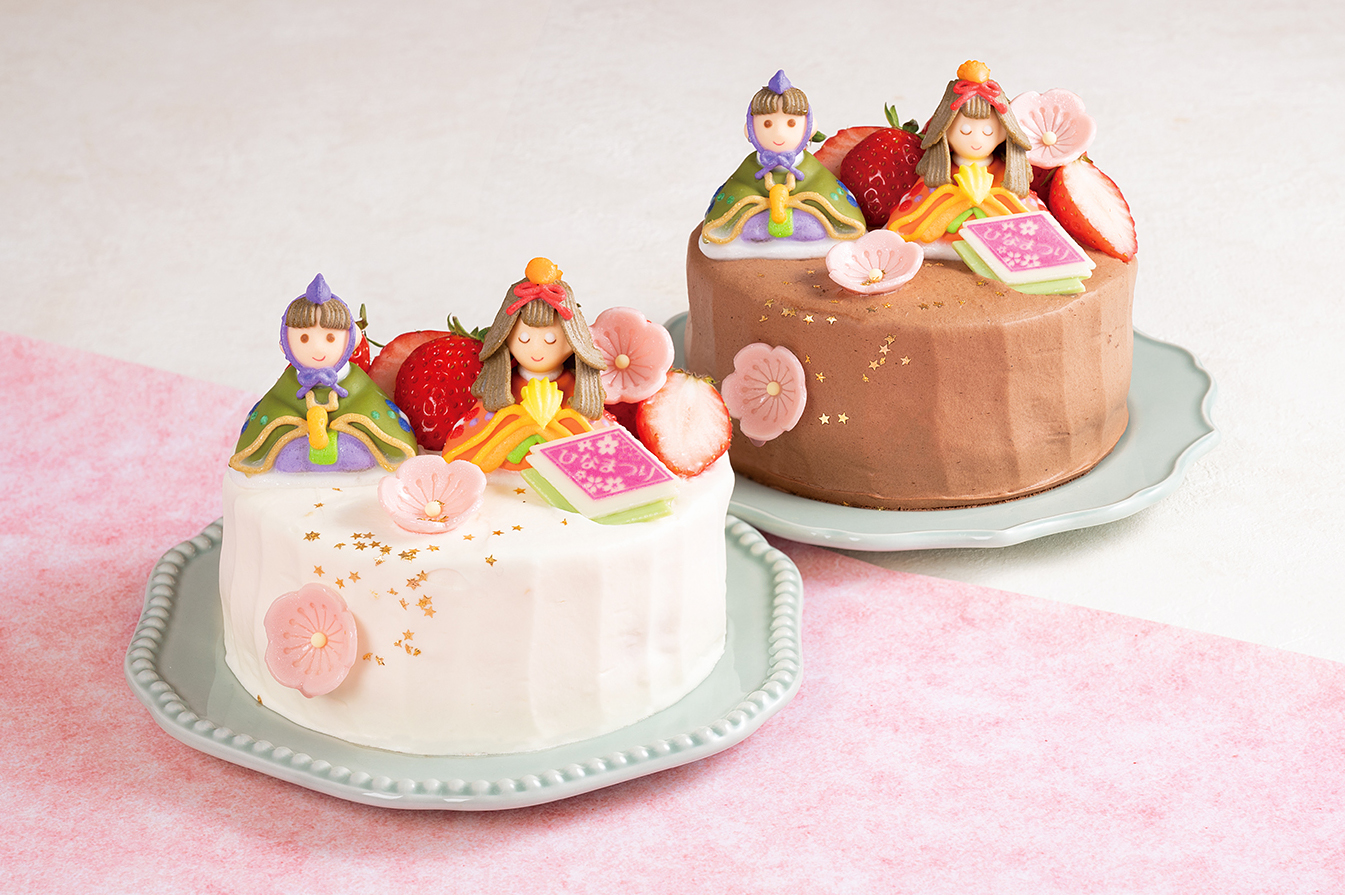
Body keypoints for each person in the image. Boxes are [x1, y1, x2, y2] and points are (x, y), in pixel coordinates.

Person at [230, 274, 418, 474]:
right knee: (289, 455)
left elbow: (373, 408)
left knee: (358, 453)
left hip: (352, 448)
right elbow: (275, 407)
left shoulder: (358, 383)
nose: (318, 348)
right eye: (304, 338)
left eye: (330, 338)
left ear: (352, 340)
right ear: (284, 344)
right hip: (296, 450)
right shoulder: (287, 386)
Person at [887, 60, 1045, 255]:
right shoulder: (939, 173)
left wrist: (987, 200)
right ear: (944, 129)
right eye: (965, 130)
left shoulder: (1007, 175)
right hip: (944, 247)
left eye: (988, 131)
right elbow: (905, 222)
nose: (976, 139)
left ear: (1004, 133)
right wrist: (956, 200)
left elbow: (1032, 221)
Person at [700, 70, 865, 255]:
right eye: (767, 124)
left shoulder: (810, 166)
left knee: (812, 225)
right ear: (749, 129)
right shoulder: (750, 166)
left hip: (804, 217)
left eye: (791, 123)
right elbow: (739, 187)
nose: (779, 133)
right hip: (759, 219)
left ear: (810, 128)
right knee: (751, 226)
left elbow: (823, 186)